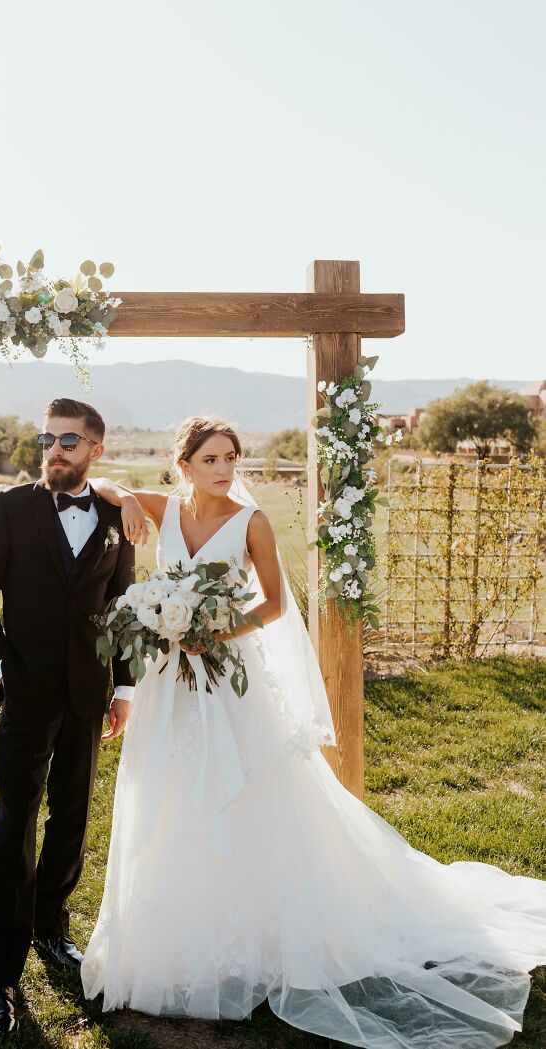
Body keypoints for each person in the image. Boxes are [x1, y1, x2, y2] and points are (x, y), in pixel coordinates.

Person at [84, 415, 546, 1049]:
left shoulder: (252, 523)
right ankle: (172, 931)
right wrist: (130, 497)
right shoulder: (164, 509)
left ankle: (259, 933)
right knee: (169, 794)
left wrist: (212, 631)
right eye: (212, 459)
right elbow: (103, 482)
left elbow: (273, 603)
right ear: (183, 463)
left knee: (249, 797)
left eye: (231, 458)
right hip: (170, 683)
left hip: (227, 675)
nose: (225, 470)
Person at [0, 398, 141, 1038]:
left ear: (94, 447)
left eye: (69, 440)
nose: (55, 450)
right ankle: (0, 977)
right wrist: (2, 668)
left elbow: (122, 605)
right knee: (13, 828)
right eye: (48, 439)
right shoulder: (10, 510)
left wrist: (124, 688)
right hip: (28, 690)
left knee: (71, 814)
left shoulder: (117, 516)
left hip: (89, 694)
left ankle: (52, 927)